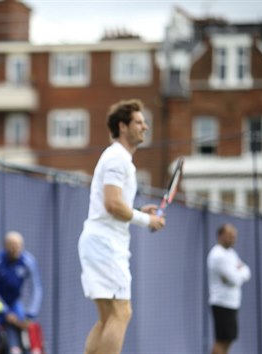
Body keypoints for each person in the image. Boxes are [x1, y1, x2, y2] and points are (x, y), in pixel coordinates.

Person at [77, 99, 166, 354]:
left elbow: (115, 206)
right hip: (105, 245)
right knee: (122, 312)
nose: (145, 127)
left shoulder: (117, 158)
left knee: (108, 318)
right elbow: (113, 205)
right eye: (138, 122)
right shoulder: (118, 158)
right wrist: (147, 220)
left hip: (99, 242)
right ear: (122, 127)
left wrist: (138, 211)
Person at [0, 231, 43, 354]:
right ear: (5, 246)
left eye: (18, 245)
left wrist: (31, 314)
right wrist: (5, 312)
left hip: (15, 304)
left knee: (22, 341)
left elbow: (36, 288)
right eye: (12, 244)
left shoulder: (28, 261)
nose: (15, 248)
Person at [207, 223, 251, 354]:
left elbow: (247, 271)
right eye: (229, 236)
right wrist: (239, 271)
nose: (232, 239)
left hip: (232, 304)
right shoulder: (217, 255)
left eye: (234, 236)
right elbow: (235, 279)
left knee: (228, 340)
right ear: (220, 236)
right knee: (221, 340)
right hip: (222, 303)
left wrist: (240, 272)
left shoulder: (231, 253)